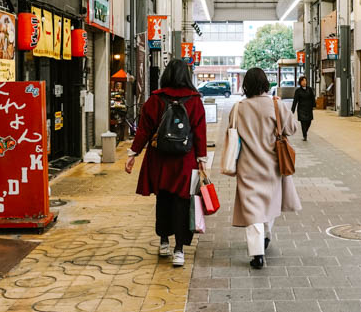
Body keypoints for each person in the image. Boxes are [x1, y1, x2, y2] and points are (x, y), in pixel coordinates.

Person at [125, 60, 207, 268]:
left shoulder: (155, 99)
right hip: (185, 159)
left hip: (159, 157)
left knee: (163, 199)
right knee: (181, 202)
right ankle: (179, 250)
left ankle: (163, 242)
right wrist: (201, 159)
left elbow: (144, 129)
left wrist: (133, 153)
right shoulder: (195, 100)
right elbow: (199, 132)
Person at [226, 68, 301, 270]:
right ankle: (265, 237)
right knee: (269, 202)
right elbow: (292, 129)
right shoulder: (276, 104)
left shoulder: (238, 108)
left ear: (246, 86)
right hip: (272, 166)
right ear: (265, 84)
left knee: (252, 210)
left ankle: (257, 253)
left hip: (247, 166)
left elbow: (231, 132)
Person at [291, 76, 316, 141]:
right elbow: (295, 101)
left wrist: (314, 105)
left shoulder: (310, 89)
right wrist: (292, 110)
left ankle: (305, 131)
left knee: (309, 122)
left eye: (305, 81)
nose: (304, 82)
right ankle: (305, 135)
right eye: (302, 81)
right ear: (300, 82)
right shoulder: (298, 91)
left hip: (308, 108)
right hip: (301, 109)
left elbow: (312, 98)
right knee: (303, 122)